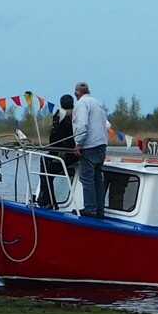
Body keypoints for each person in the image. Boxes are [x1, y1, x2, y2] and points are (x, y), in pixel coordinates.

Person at [71, 81, 108, 218]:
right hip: (101, 145)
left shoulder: (81, 104)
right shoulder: (98, 103)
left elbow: (82, 125)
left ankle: (90, 209)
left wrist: (78, 143)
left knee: (86, 178)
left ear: (77, 93)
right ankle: (99, 210)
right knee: (98, 179)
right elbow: (106, 125)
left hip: (90, 146)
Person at [37, 94, 78, 208]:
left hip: (68, 153)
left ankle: (47, 200)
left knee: (46, 166)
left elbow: (58, 138)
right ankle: (48, 200)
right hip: (63, 152)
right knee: (46, 164)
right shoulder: (74, 116)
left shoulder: (62, 117)